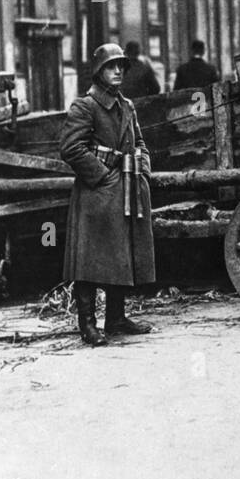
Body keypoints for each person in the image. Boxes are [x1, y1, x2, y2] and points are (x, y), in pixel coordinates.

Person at [58, 44, 155, 346]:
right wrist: (103, 176)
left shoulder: (127, 106)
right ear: (98, 71)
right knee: (89, 261)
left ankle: (116, 317)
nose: (118, 71)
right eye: (111, 66)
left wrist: (144, 169)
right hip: (96, 195)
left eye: (121, 66)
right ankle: (87, 324)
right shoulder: (85, 106)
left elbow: (139, 141)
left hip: (126, 187)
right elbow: (71, 148)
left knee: (120, 254)